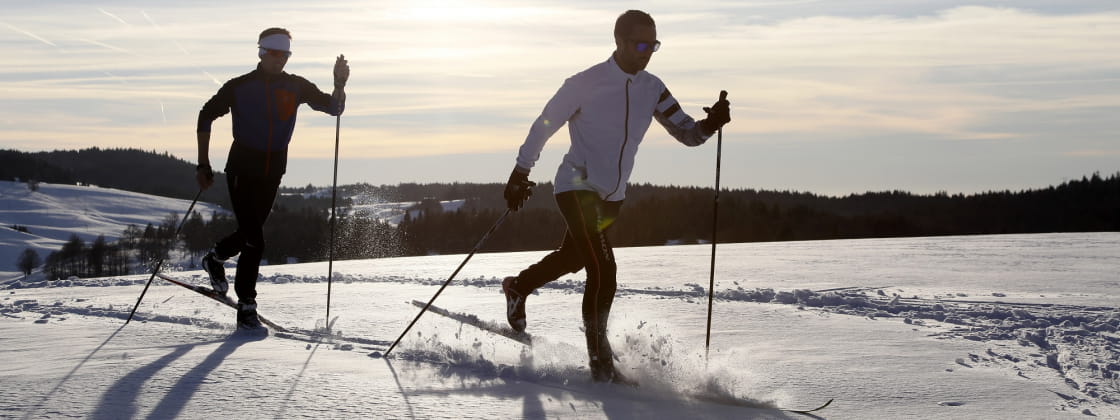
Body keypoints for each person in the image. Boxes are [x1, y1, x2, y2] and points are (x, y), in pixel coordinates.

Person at [501, 10, 731, 383]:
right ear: (619, 42)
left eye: (653, 45)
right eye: (640, 45)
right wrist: (520, 172)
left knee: (575, 257)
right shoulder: (585, 83)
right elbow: (544, 124)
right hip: (576, 186)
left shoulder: (653, 88)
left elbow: (687, 133)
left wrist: (710, 124)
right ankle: (601, 364)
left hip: (612, 197)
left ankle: (518, 286)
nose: (647, 53)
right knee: (604, 271)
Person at [195, 27, 349, 332]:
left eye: (286, 54)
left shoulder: (296, 86)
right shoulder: (239, 86)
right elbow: (205, 115)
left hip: (273, 170)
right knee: (255, 239)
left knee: (249, 233)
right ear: (262, 53)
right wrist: (203, 163)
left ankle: (215, 258)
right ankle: (246, 305)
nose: (281, 59)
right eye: (276, 53)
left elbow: (335, 108)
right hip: (241, 168)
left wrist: (339, 85)